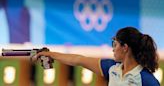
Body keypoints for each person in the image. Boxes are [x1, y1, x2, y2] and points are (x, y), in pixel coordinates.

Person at [32, 27, 160, 86]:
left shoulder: (146, 79)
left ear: (125, 47)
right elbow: (78, 59)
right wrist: (51, 54)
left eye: (115, 44)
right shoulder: (112, 68)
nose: (113, 49)